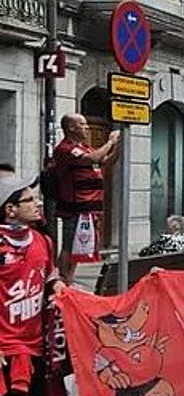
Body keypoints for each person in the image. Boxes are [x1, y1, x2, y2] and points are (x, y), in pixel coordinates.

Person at [0, 175, 62, 396]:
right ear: (10, 209)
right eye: (29, 200)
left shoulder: (43, 241)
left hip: (30, 343)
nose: (38, 203)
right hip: (3, 342)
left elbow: (51, 276)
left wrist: (59, 290)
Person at [52, 113, 120, 284]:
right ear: (71, 128)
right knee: (69, 245)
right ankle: (63, 281)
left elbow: (104, 162)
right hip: (75, 206)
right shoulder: (65, 148)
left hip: (89, 206)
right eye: (82, 124)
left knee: (78, 246)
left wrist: (119, 147)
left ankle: (69, 279)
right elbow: (93, 159)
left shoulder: (84, 147)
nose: (87, 127)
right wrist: (110, 141)